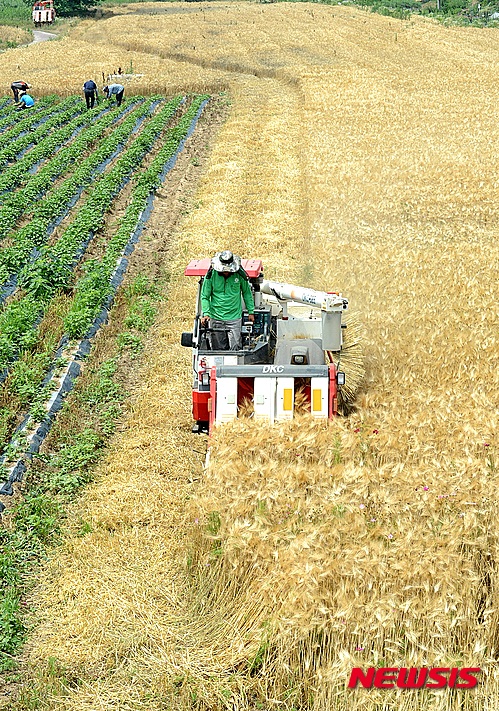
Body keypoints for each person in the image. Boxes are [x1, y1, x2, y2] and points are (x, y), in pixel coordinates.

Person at [200, 250, 255, 351]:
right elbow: (205, 296)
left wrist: (251, 311)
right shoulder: (211, 276)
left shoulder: (239, 275)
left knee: (236, 347)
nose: (226, 272)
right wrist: (206, 313)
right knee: (218, 348)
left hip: (234, 318)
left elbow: (247, 293)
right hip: (216, 317)